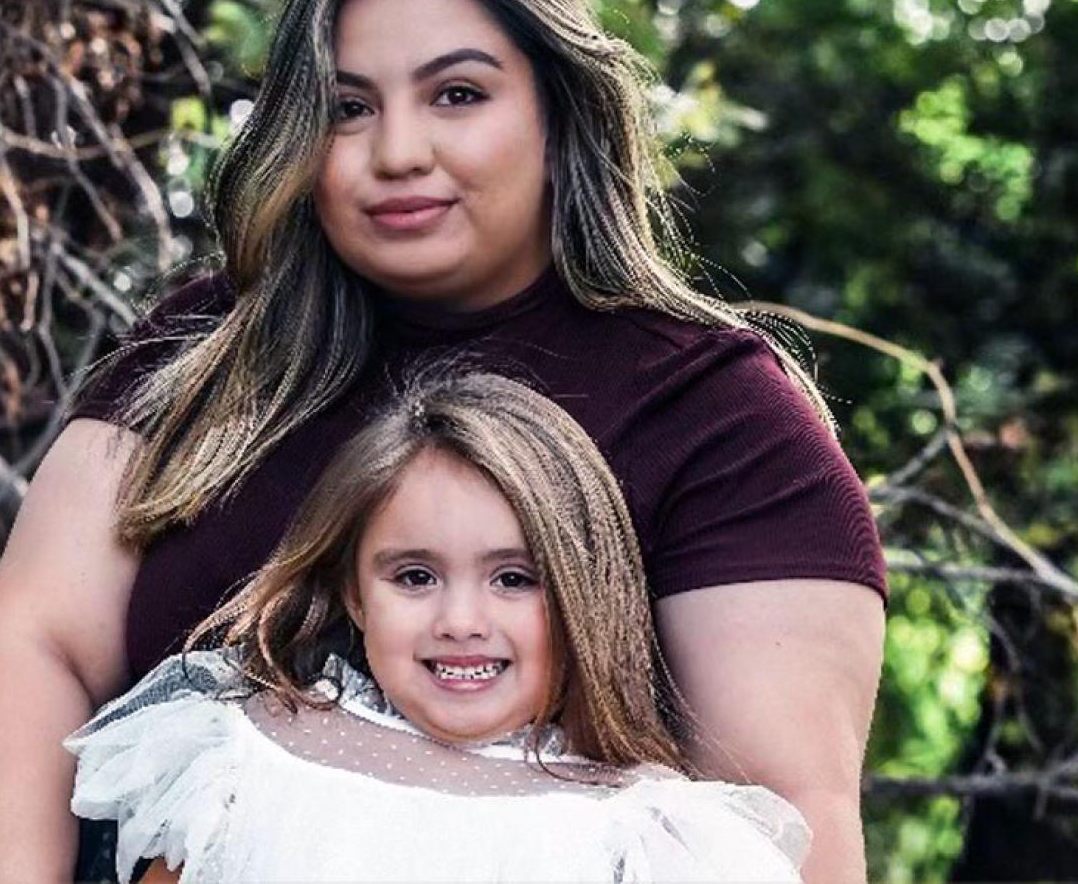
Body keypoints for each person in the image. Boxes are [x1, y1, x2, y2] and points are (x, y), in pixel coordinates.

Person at [0, 0, 886, 883]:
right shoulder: (201, 348)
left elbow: (787, 822)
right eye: (348, 108)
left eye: (457, 95)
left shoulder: (723, 418)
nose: (395, 153)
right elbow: (35, 646)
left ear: (560, 116)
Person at [65, 370, 810, 883]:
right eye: (415, 577)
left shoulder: (641, 837)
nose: (460, 622)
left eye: (515, 579)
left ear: (584, 596)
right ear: (355, 596)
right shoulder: (248, 758)